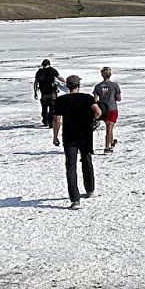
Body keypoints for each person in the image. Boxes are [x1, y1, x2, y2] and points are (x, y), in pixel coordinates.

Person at [52, 75, 101, 210]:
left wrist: (55, 136)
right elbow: (98, 112)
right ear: (79, 85)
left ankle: (75, 199)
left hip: (69, 136)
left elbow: (57, 120)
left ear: (67, 86)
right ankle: (90, 189)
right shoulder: (87, 98)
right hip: (85, 134)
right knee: (86, 160)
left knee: (71, 166)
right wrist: (93, 121)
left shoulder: (61, 100)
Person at [93, 67, 122, 153]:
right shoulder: (115, 85)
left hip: (103, 109)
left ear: (102, 75)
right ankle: (107, 147)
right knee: (109, 127)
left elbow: (95, 100)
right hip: (112, 108)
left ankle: (111, 142)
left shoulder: (98, 86)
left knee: (109, 126)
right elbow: (119, 98)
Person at [34, 59, 65, 127]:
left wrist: (35, 92)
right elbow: (59, 78)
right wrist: (67, 82)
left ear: (42, 64)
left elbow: (36, 82)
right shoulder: (52, 70)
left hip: (43, 93)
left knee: (44, 108)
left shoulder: (39, 71)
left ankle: (45, 121)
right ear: (49, 64)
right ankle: (51, 123)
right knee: (52, 108)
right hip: (52, 93)